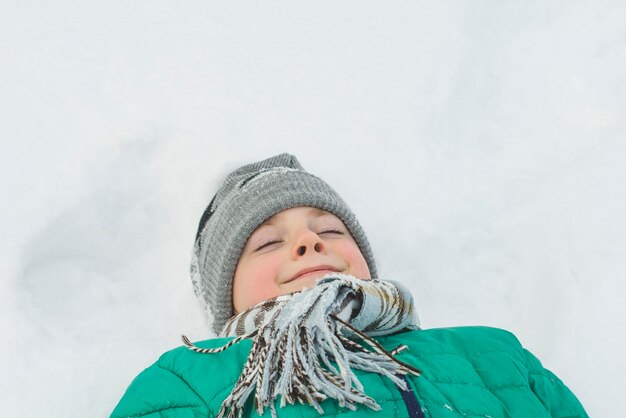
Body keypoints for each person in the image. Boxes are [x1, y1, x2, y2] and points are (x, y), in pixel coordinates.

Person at [111, 153, 588, 418]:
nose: (308, 243)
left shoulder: (494, 354)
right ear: (226, 294)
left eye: (330, 231)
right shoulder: (188, 380)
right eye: (268, 242)